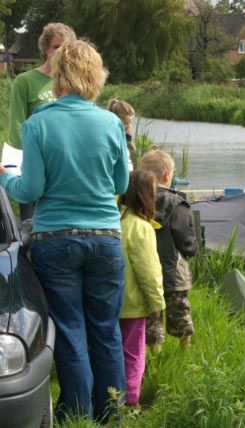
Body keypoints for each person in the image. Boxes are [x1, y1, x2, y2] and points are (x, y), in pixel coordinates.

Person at [0, 40, 129, 421]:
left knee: (71, 332)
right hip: (106, 239)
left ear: (58, 75)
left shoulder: (37, 124)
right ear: (95, 76)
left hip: (55, 241)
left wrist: (6, 178)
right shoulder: (111, 123)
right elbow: (121, 184)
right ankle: (113, 414)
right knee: (106, 330)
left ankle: (78, 415)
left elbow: (31, 191)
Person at [7, 22, 76, 220]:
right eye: (56, 46)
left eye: (66, 47)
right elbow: (17, 128)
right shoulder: (25, 81)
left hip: (63, 168)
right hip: (32, 165)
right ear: (46, 49)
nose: (61, 51)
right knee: (31, 224)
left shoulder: (74, 83)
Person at [139, 149, 198, 350]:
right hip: (174, 273)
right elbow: (187, 242)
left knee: (151, 318)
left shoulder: (135, 200)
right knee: (181, 314)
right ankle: (185, 351)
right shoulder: (177, 203)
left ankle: (154, 355)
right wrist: (193, 250)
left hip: (145, 271)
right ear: (167, 175)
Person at [118, 169, 165, 407]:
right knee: (134, 354)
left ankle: (110, 396)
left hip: (110, 302)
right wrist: (157, 304)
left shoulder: (115, 221)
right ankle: (131, 401)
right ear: (146, 196)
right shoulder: (142, 228)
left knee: (111, 351)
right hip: (133, 305)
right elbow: (149, 272)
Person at [107, 99, 136, 170]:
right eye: (125, 123)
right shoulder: (110, 141)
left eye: (130, 123)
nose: (129, 127)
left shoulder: (126, 139)